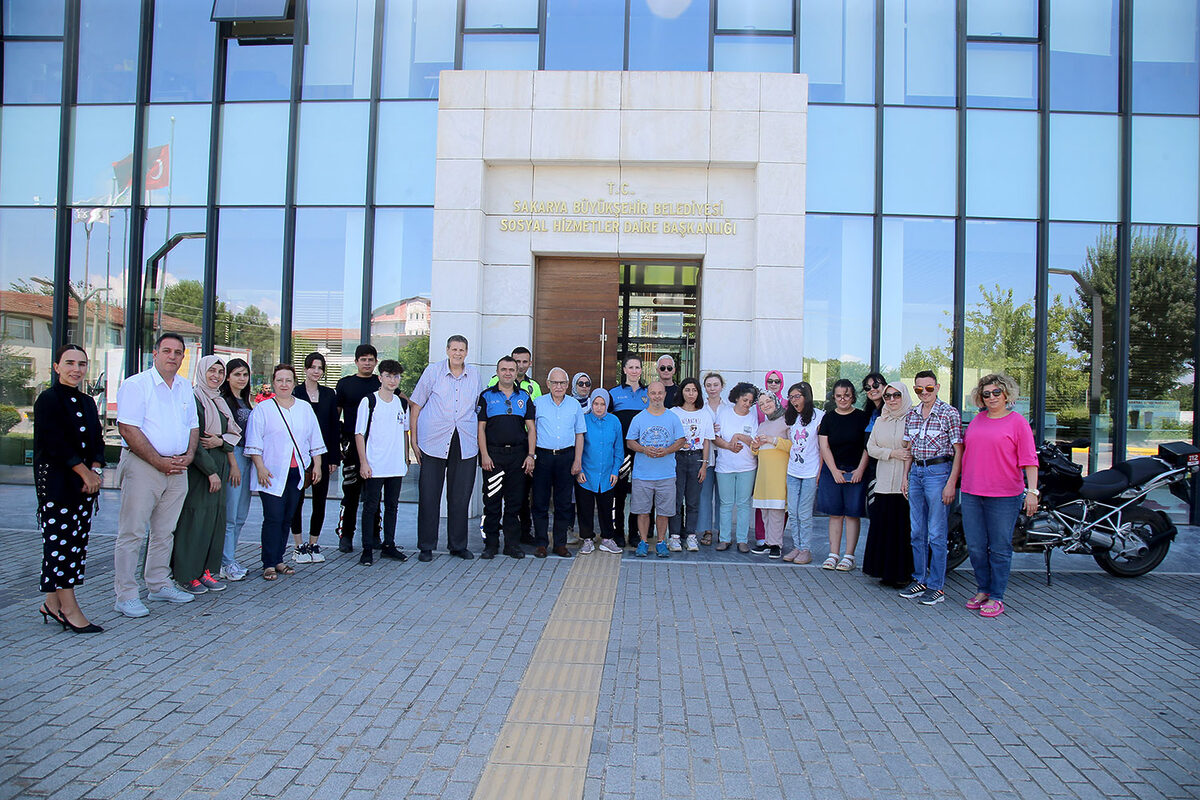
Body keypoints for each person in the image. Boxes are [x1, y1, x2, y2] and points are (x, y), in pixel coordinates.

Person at [113, 332, 200, 617]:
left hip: (177, 468)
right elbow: (128, 429)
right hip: (144, 466)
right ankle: (125, 595)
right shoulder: (136, 385)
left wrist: (188, 455)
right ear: (155, 353)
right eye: (167, 351)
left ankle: (158, 583)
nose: (172, 356)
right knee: (133, 533)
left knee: (165, 531)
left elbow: (193, 426)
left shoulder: (186, 387)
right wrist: (158, 461)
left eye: (178, 352)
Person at [34, 344, 105, 633]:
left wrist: (96, 469)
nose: (76, 369)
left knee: (74, 544)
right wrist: (84, 472)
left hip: (85, 484)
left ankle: (51, 603)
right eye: (70, 363)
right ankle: (69, 608)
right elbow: (55, 444)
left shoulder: (87, 402)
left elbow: (97, 441)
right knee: (60, 544)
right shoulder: (48, 400)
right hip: (57, 483)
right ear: (56, 367)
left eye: (82, 363)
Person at [960, 374, 1038, 618]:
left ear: (1006, 394)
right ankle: (983, 589)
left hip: (1004, 495)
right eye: (986, 394)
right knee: (975, 546)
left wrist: (1033, 492)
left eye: (996, 392)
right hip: (972, 492)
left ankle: (997, 596)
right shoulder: (977, 421)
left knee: (1000, 547)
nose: (992, 397)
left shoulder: (1017, 423)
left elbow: (1029, 460)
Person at [245, 365, 326, 581]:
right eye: (279, 380)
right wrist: (260, 467)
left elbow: (314, 439)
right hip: (271, 473)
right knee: (273, 517)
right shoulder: (263, 409)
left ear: (294, 383)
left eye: (288, 380)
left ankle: (279, 560)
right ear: (273, 383)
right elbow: (254, 441)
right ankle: (268, 563)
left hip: (296, 472)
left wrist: (317, 465)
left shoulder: (304, 408)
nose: (284, 384)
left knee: (287, 517)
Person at [410, 335, 482, 561]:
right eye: (454, 349)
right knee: (430, 495)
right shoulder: (433, 372)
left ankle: (458, 545)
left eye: (462, 350)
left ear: (467, 352)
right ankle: (426, 546)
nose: (457, 354)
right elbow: (416, 404)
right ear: (447, 350)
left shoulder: (475, 376)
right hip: (433, 441)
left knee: (460, 497)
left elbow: (477, 408)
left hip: (465, 441)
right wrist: (414, 439)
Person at [172, 355, 239, 595]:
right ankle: (186, 573)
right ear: (201, 371)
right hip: (201, 470)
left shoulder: (218, 400)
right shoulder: (193, 398)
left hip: (219, 465)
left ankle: (206, 571)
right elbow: (195, 442)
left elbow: (230, 435)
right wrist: (210, 472)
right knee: (195, 522)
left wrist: (220, 442)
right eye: (212, 371)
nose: (216, 376)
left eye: (220, 372)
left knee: (214, 521)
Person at [899, 370, 964, 607]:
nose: (923, 393)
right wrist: (905, 477)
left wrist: (951, 483)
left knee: (936, 533)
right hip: (916, 472)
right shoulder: (912, 414)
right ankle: (920, 579)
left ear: (937, 387)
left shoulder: (949, 413)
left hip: (939, 473)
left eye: (928, 388)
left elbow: (959, 451)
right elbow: (909, 449)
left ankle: (937, 586)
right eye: (919, 389)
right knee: (917, 531)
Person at [477, 356, 535, 559]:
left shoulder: (525, 397)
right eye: (504, 369)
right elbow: (480, 428)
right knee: (491, 502)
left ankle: (512, 544)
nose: (508, 372)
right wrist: (484, 454)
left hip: (518, 457)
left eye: (512, 369)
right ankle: (490, 544)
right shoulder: (486, 397)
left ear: (517, 371)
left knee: (514, 503)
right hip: (493, 456)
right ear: (498, 371)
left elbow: (531, 428)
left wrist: (530, 455)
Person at [355, 359, 411, 566]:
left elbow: (405, 432)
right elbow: (359, 434)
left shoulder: (402, 403)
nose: (392, 380)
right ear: (380, 378)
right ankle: (367, 548)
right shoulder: (369, 401)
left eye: (396, 376)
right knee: (371, 507)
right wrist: (363, 463)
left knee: (392, 506)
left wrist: (406, 459)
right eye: (388, 375)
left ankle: (389, 545)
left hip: (395, 465)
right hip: (374, 464)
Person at [626, 380, 687, 558]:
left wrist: (667, 450)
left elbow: (681, 440)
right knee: (643, 511)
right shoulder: (639, 418)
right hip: (642, 474)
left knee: (664, 512)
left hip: (666, 474)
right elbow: (630, 442)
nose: (657, 396)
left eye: (660, 393)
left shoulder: (672, 417)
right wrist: (644, 449)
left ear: (665, 395)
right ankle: (643, 542)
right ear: (648, 396)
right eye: (653, 393)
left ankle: (661, 542)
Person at [863, 382, 914, 587]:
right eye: (888, 396)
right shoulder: (880, 421)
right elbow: (870, 447)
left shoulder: (913, 418)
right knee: (883, 528)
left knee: (902, 530)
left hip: (904, 482)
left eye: (896, 395)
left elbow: (912, 449)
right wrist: (892, 453)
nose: (892, 400)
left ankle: (902, 574)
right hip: (883, 482)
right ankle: (883, 572)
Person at [816, 379, 870, 572]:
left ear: (852, 396)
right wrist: (834, 471)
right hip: (833, 472)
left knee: (853, 514)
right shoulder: (829, 418)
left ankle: (849, 556)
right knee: (835, 514)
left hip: (856, 471)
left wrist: (860, 470)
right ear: (834, 397)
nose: (842, 399)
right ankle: (833, 554)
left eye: (846, 395)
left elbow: (868, 446)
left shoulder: (862, 417)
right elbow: (824, 446)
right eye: (838, 396)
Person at [531, 367, 585, 557]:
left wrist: (577, 460)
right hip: (543, 457)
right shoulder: (538, 403)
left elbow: (580, 434)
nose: (559, 386)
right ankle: (541, 543)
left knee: (563, 503)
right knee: (540, 502)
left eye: (562, 382)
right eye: (555, 382)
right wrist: (531, 456)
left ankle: (560, 544)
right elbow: (532, 432)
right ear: (548, 384)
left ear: (568, 384)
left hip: (566, 457)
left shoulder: (574, 405)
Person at [291, 352, 340, 564]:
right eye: (312, 367)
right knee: (297, 501)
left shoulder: (329, 394)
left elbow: (333, 428)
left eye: (320, 368)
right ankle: (298, 545)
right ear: (305, 369)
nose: (316, 371)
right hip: (300, 456)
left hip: (323, 454)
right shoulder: (295, 392)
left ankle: (313, 543)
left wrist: (333, 458)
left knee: (320, 502)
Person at [335, 345, 380, 552]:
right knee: (351, 493)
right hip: (352, 447)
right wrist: (338, 442)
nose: (367, 363)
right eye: (363, 359)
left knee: (374, 495)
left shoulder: (381, 383)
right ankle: (346, 536)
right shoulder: (345, 384)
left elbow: (401, 402)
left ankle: (374, 535)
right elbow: (336, 415)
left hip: (376, 447)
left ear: (376, 362)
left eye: (371, 359)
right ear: (356, 362)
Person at [576, 388, 624, 555]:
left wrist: (615, 471)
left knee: (606, 507)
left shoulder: (614, 421)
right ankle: (587, 539)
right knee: (585, 508)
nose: (598, 407)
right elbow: (578, 448)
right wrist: (579, 469)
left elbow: (619, 449)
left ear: (607, 404)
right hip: (587, 473)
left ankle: (607, 539)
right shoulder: (583, 420)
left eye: (602, 404)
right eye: (595, 403)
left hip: (607, 474)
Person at [219, 358, 254, 581]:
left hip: (248, 458)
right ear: (228, 377)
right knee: (230, 515)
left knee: (241, 515)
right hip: (234, 459)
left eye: (245, 374)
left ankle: (230, 558)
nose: (241, 379)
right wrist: (233, 464)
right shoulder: (224, 402)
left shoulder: (245, 401)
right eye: (237, 374)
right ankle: (225, 562)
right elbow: (226, 436)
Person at [713, 382, 759, 552]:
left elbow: (755, 442)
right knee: (725, 504)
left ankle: (742, 540)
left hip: (747, 466)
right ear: (737, 398)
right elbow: (715, 437)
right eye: (744, 400)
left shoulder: (752, 417)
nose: (747, 404)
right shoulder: (723, 413)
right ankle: (724, 539)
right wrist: (728, 446)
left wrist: (739, 436)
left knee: (744, 503)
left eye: (750, 401)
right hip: (725, 466)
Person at [668, 378, 712, 552]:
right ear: (682, 392)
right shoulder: (673, 412)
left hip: (696, 459)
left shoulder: (704, 414)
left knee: (693, 501)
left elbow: (707, 441)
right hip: (677, 458)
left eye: (694, 390)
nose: (691, 394)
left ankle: (691, 536)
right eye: (687, 390)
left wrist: (704, 465)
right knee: (676, 500)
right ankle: (675, 537)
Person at [608, 356, 648, 547]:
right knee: (619, 492)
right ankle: (617, 533)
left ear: (641, 370)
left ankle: (635, 533)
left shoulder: (649, 393)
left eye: (637, 367)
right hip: (621, 452)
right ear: (623, 370)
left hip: (642, 452)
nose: (634, 371)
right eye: (630, 367)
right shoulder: (613, 394)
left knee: (640, 493)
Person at [781, 381, 823, 564]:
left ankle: (806, 549)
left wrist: (820, 472)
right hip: (793, 470)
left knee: (804, 513)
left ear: (806, 396)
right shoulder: (791, 417)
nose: (794, 400)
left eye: (797, 396)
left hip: (810, 471)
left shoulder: (820, 417)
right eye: (791, 397)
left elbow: (823, 447)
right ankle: (797, 546)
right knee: (793, 511)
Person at [750, 392, 789, 558]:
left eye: (768, 401)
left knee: (776, 511)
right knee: (765, 508)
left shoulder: (788, 421)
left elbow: (792, 446)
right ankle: (767, 541)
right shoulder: (763, 425)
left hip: (778, 473)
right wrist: (755, 446)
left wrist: (774, 440)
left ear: (776, 401)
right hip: (764, 473)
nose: (765, 405)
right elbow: (756, 452)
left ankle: (776, 544)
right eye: (761, 404)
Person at [697, 372, 727, 546]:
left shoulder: (729, 408)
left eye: (716, 385)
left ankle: (723, 530)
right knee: (705, 494)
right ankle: (707, 530)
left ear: (721, 386)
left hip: (725, 455)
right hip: (706, 455)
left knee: (723, 496)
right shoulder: (701, 409)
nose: (712, 388)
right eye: (709, 385)